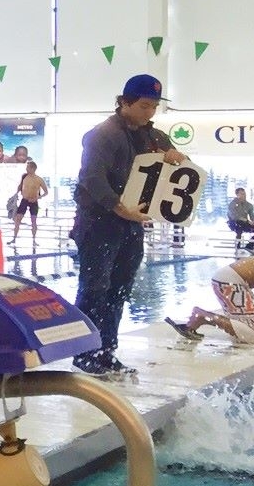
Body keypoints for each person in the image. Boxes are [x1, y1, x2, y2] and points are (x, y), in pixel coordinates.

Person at [70, 74, 187, 377]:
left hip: (131, 222)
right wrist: (119, 208)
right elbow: (92, 178)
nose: (150, 112)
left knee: (120, 288)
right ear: (125, 102)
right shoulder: (103, 135)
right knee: (95, 288)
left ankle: (107, 350)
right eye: (145, 105)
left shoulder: (154, 137)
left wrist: (176, 157)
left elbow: (175, 166)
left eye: (154, 107)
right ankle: (84, 352)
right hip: (99, 222)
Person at [165, 256, 254, 345]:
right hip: (230, 281)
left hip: (227, 279)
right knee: (250, 335)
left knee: (242, 331)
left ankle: (198, 320)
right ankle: (203, 316)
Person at [10, 160, 48, 248]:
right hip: (24, 200)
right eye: (26, 167)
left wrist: (37, 198)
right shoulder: (24, 176)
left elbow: (46, 192)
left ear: (33, 168)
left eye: (28, 167)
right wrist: (16, 194)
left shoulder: (39, 179)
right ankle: (14, 238)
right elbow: (20, 186)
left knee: (33, 221)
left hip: (33, 201)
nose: (27, 169)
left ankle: (34, 240)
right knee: (17, 219)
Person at [229, 186, 254, 251]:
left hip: (245, 223)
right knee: (239, 225)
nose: (244, 195)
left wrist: (252, 221)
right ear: (237, 194)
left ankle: (250, 245)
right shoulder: (232, 204)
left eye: (244, 193)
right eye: (242, 194)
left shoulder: (249, 205)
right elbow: (234, 216)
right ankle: (238, 244)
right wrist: (247, 220)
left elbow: (252, 216)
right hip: (234, 222)